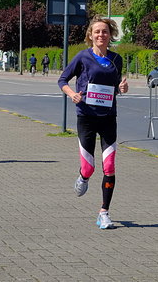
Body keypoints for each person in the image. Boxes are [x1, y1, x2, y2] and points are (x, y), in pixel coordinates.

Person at [58, 16, 128, 230]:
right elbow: (62, 80)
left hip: (108, 118)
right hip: (86, 116)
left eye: (105, 32)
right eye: (97, 31)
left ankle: (104, 212)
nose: (101, 35)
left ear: (110, 35)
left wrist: (122, 89)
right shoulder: (82, 57)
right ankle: (83, 177)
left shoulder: (116, 60)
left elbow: (116, 86)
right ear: (90, 35)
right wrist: (72, 94)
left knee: (109, 166)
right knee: (89, 168)